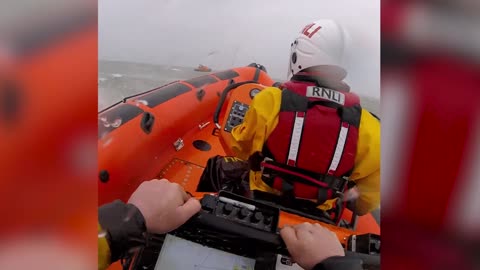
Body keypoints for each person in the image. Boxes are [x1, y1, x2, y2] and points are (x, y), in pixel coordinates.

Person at [229, 19, 380, 218]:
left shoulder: (269, 100)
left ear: (298, 54)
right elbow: (364, 202)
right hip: (319, 217)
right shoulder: (370, 126)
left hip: (260, 200)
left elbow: (240, 148)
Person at [98, 179, 363, 270]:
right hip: (319, 209)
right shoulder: (368, 128)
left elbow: (241, 142)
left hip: (261, 189)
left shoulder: (269, 100)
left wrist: (131, 221)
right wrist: (334, 265)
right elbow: (365, 197)